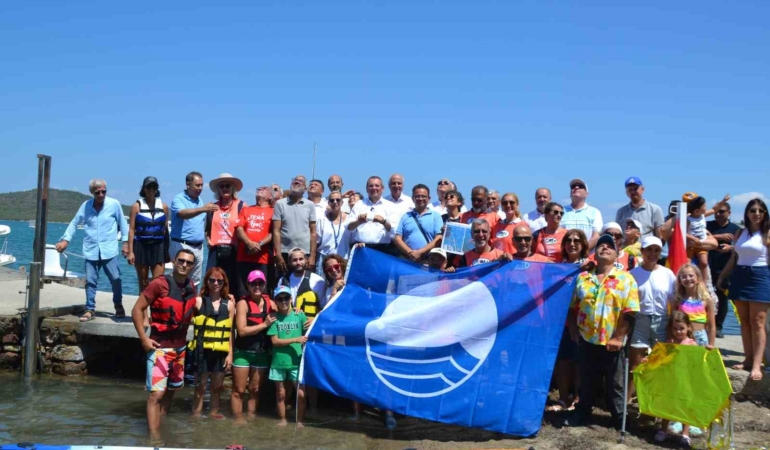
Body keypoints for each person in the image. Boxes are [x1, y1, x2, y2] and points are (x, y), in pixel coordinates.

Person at [563, 234, 639, 429]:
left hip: (612, 342)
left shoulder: (626, 279)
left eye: (610, 246)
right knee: (587, 381)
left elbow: (630, 312)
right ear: (594, 253)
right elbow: (572, 306)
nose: (604, 248)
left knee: (615, 384)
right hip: (587, 339)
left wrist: (619, 336)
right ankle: (582, 413)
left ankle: (619, 419)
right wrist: (573, 328)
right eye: (601, 246)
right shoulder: (582, 278)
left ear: (616, 255)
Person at [131, 249, 197, 440]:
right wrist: (143, 338)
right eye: (181, 261)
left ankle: (162, 426)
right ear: (174, 262)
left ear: (192, 267)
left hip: (180, 349)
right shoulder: (159, 284)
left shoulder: (191, 286)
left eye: (189, 263)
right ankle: (154, 439)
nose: (184, 265)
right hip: (160, 348)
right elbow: (137, 309)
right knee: (156, 395)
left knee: (171, 391)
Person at [56, 179, 129, 322]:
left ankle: (118, 304)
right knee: (90, 281)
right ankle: (90, 309)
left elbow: (123, 224)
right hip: (91, 250)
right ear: (91, 193)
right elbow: (74, 223)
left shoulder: (114, 204)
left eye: (104, 191)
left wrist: (125, 244)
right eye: (98, 192)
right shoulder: (85, 206)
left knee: (116, 279)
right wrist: (66, 240)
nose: (101, 194)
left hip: (109, 250)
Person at [718, 198, 770, 380]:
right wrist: (723, 276)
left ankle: (757, 364)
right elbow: (734, 257)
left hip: (760, 276)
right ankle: (747, 359)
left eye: (760, 211)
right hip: (740, 275)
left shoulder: (768, 233)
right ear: (747, 213)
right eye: (753, 210)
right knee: (745, 321)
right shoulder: (741, 232)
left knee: (758, 322)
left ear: (764, 214)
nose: (756, 213)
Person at [628, 236, 676, 398]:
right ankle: (627, 405)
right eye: (649, 249)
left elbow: (673, 302)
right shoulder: (632, 274)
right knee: (635, 364)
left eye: (656, 250)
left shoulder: (668, 274)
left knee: (660, 364)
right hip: (639, 320)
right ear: (642, 251)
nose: (652, 253)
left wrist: (672, 327)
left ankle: (656, 402)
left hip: (661, 320)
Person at [549, 229, 590, 412]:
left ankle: (578, 398)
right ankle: (563, 398)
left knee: (580, 363)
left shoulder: (590, 267)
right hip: (560, 322)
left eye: (576, 241)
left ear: (583, 245)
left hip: (583, 322)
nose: (572, 244)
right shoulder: (558, 267)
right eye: (569, 241)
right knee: (562, 362)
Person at [189, 267, 235, 419]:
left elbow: (230, 333)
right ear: (207, 282)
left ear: (224, 283)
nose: (216, 283)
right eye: (212, 280)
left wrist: (230, 354)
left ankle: (213, 414)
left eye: (220, 281)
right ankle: (196, 416)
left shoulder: (229, 304)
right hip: (201, 351)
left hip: (220, 353)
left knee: (217, 388)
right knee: (199, 387)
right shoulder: (198, 301)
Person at [232, 270, 277, 419]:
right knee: (239, 389)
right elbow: (242, 331)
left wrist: (295, 310)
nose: (257, 286)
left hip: (261, 353)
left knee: (255, 389)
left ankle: (251, 417)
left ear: (264, 284)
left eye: (260, 283)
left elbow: (284, 312)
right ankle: (238, 420)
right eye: (253, 283)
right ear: (248, 285)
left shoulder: (270, 303)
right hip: (243, 352)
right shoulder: (242, 304)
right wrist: (264, 325)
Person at [652, 311, 698, 447]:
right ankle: (663, 430)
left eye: (682, 328)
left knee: (685, 405)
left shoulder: (692, 344)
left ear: (688, 327)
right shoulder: (668, 343)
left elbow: (697, 362)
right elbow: (661, 361)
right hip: (670, 380)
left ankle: (685, 434)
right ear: (670, 329)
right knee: (668, 405)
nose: (678, 332)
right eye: (675, 328)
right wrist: (649, 360)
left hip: (685, 380)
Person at [267, 285, 308, 427]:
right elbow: (275, 341)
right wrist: (295, 339)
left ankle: (300, 421)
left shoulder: (299, 315)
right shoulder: (274, 318)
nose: (283, 301)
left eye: (286, 298)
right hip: (278, 361)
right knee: (280, 393)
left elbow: (312, 325)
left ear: (291, 299)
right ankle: (282, 419)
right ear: (276, 301)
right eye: (280, 298)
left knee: (301, 394)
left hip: (296, 360)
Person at [170, 171, 218, 286]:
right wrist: (203, 209)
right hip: (182, 245)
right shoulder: (179, 199)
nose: (200, 188)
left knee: (194, 282)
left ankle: (191, 302)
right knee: (178, 278)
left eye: (201, 185)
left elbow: (201, 224)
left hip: (198, 248)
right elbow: (182, 214)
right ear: (188, 184)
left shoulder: (199, 201)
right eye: (197, 185)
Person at [127, 176, 169, 295]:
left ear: (157, 189)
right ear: (144, 188)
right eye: (148, 186)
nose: (151, 189)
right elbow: (131, 230)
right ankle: (143, 313)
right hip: (141, 247)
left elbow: (165, 231)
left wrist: (166, 251)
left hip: (158, 247)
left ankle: (156, 313)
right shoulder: (136, 206)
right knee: (143, 283)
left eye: (154, 186)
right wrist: (130, 252)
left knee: (158, 283)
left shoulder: (164, 207)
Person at [206, 173, 245, 296]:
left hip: (234, 250)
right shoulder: (212, 207)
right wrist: (208, 239)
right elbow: (207, 227)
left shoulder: (241, 206)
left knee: (233, 284)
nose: (225, 188)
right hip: (215, 251)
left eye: (228, 185)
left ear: (233, 188)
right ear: (218, 189)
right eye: (222, 186)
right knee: (211, 282)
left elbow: (246, 228)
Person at [706, 201, 740, 338]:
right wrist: (717, 237)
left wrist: (730, 248)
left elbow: (740, 247)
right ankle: (706, 325)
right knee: (705, 296)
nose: (718, 214)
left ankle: (718, 326)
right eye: (716, 212)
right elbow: (698, 238)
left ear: (729, 213)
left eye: (722, 212)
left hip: (725, 268)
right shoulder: (708, 226)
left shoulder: (736, 229)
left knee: (722, 297)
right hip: (707, 266)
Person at [273, 175, 318, 277]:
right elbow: (276, 231)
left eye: (301, 181)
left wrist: (312, 256)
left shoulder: (310, 205)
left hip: (304, 252)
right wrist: (278, 255)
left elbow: (313, 232)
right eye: (295, 180)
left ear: (305, 188)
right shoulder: (280, 204)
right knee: (284, 284)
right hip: (285, 252)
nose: (297, 181)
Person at [235, 186, 274, 296]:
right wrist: (249, 243)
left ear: (270, 196)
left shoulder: (273, 211)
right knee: (243, 291)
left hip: (263, 259)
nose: (261, 188)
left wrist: (259, 244)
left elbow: (274, 232)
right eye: (259, 188)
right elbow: (239, 228)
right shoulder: (246, 209)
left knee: (262, 291)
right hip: (243, 256)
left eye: (265, 189)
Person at [393, 184, 443, 263]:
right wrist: (410, 253)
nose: (420, 199)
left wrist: (420, 252)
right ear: (413, 198)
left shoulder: (436, 216)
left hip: (428, 261)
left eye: (423, 196)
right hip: (407, 260)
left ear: (428, 198)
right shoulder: (405, 216)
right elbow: (397, 238)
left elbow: (439, 238)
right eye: (417, 196)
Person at [349, 176, 398, 255]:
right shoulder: (359, 204)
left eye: (377, 185)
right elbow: (349, 227)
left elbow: (393, 230)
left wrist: (383, 222)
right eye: (371, 186)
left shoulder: (391, 206)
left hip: (382, 249)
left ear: (382, 188)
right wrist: (358, 221)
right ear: (367, 188)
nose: (374, 188)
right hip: (361, 247)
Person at [672, 264, 716, 349]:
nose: (688, 279)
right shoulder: (678, 300)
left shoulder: (706, 299)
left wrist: (711, 344)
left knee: (699, 361)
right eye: (684, 277)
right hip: (682, 337)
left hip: (700, 337)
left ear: (698, 278)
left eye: (691, 276)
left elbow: (711, 325)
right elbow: (672, 322)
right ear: (680, 280)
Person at [279, 248, 326, 321]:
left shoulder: (318, 281)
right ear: (289, 262)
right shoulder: (282, 280)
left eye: (301, 259)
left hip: (309, 324)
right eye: (294, 260)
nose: (298, 263)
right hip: (289, 324)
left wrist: (315, 320)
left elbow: (324, 307)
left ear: (306, 260)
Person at [561, 179, 602, 249]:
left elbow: (596, 236)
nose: (576, 188)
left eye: (580, 186)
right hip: (565, 257)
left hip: (587, 257)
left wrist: (582, 252)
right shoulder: (560, 211)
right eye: (573, 186)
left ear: (586, 194)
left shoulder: (594, 212)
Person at [315, 191, 351, 272]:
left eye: (338, 200)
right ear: (328, 203)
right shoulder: (322, 219)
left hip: (343, 258)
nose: (335, 202)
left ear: (342, 202)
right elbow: (316, 242)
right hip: (324, 258)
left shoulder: (349, 219)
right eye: (332, 200)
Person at [685, 196, 711, 283]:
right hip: (691, 244)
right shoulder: (688, 219)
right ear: (696, 210)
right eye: (703, 206)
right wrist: (692, 238)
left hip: (701, 244)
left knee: (704, 263)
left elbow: (714, 210)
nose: (706, 207)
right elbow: (683, 232)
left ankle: (703, 283)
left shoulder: (702, 216)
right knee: (687, 264)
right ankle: (686, 281)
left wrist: (723, 201)